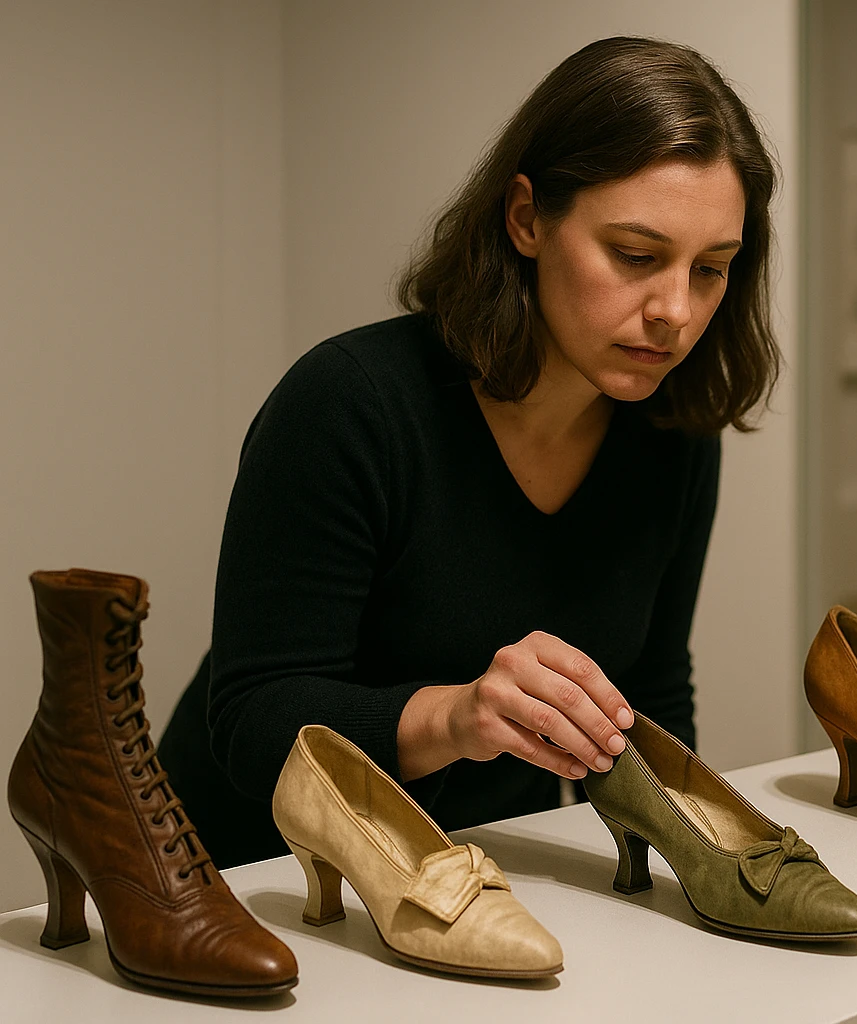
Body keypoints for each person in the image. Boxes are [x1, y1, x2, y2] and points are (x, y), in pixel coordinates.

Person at [158, 36, 780, 867]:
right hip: (249, 880)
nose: (675, 310)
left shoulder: (674, 431)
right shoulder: (350, 405)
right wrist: (455, 717)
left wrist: (688, 865)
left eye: (712, 269)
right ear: (526, 219)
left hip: (476, 873)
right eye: (636, 256)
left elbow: (653, 691)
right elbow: (252, 721)